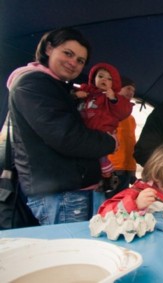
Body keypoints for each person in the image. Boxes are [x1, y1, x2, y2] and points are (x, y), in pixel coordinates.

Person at [6, 27, 116, 225]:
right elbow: (67, 137)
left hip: (74, 192)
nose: (73, 62)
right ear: (49, 48)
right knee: (73, 252)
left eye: (80, 60)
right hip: (62, 196)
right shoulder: (33, 83)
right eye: (68, 53)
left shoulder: (57, 87)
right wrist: (110, 142)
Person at [75, 63, 132, 192]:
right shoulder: (86, 93)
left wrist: (113, 98)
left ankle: (108, 178)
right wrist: (76, 95)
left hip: (103, 134)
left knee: (102, 159)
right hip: (84, 133)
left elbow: (124, 112)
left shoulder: (114, 99)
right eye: (100, 76)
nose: (104, 80)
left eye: (109, 79)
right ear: (93, 78)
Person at [106, 77, 137, 198]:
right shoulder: (108, 111)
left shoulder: (131, 118)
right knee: (107, 203)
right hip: (112, 167)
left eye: (133, 91)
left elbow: (132, 143)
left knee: (121, 204)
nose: (131, 92)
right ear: (117, 89)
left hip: (127, 169)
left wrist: (133, 169)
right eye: (128, 88)